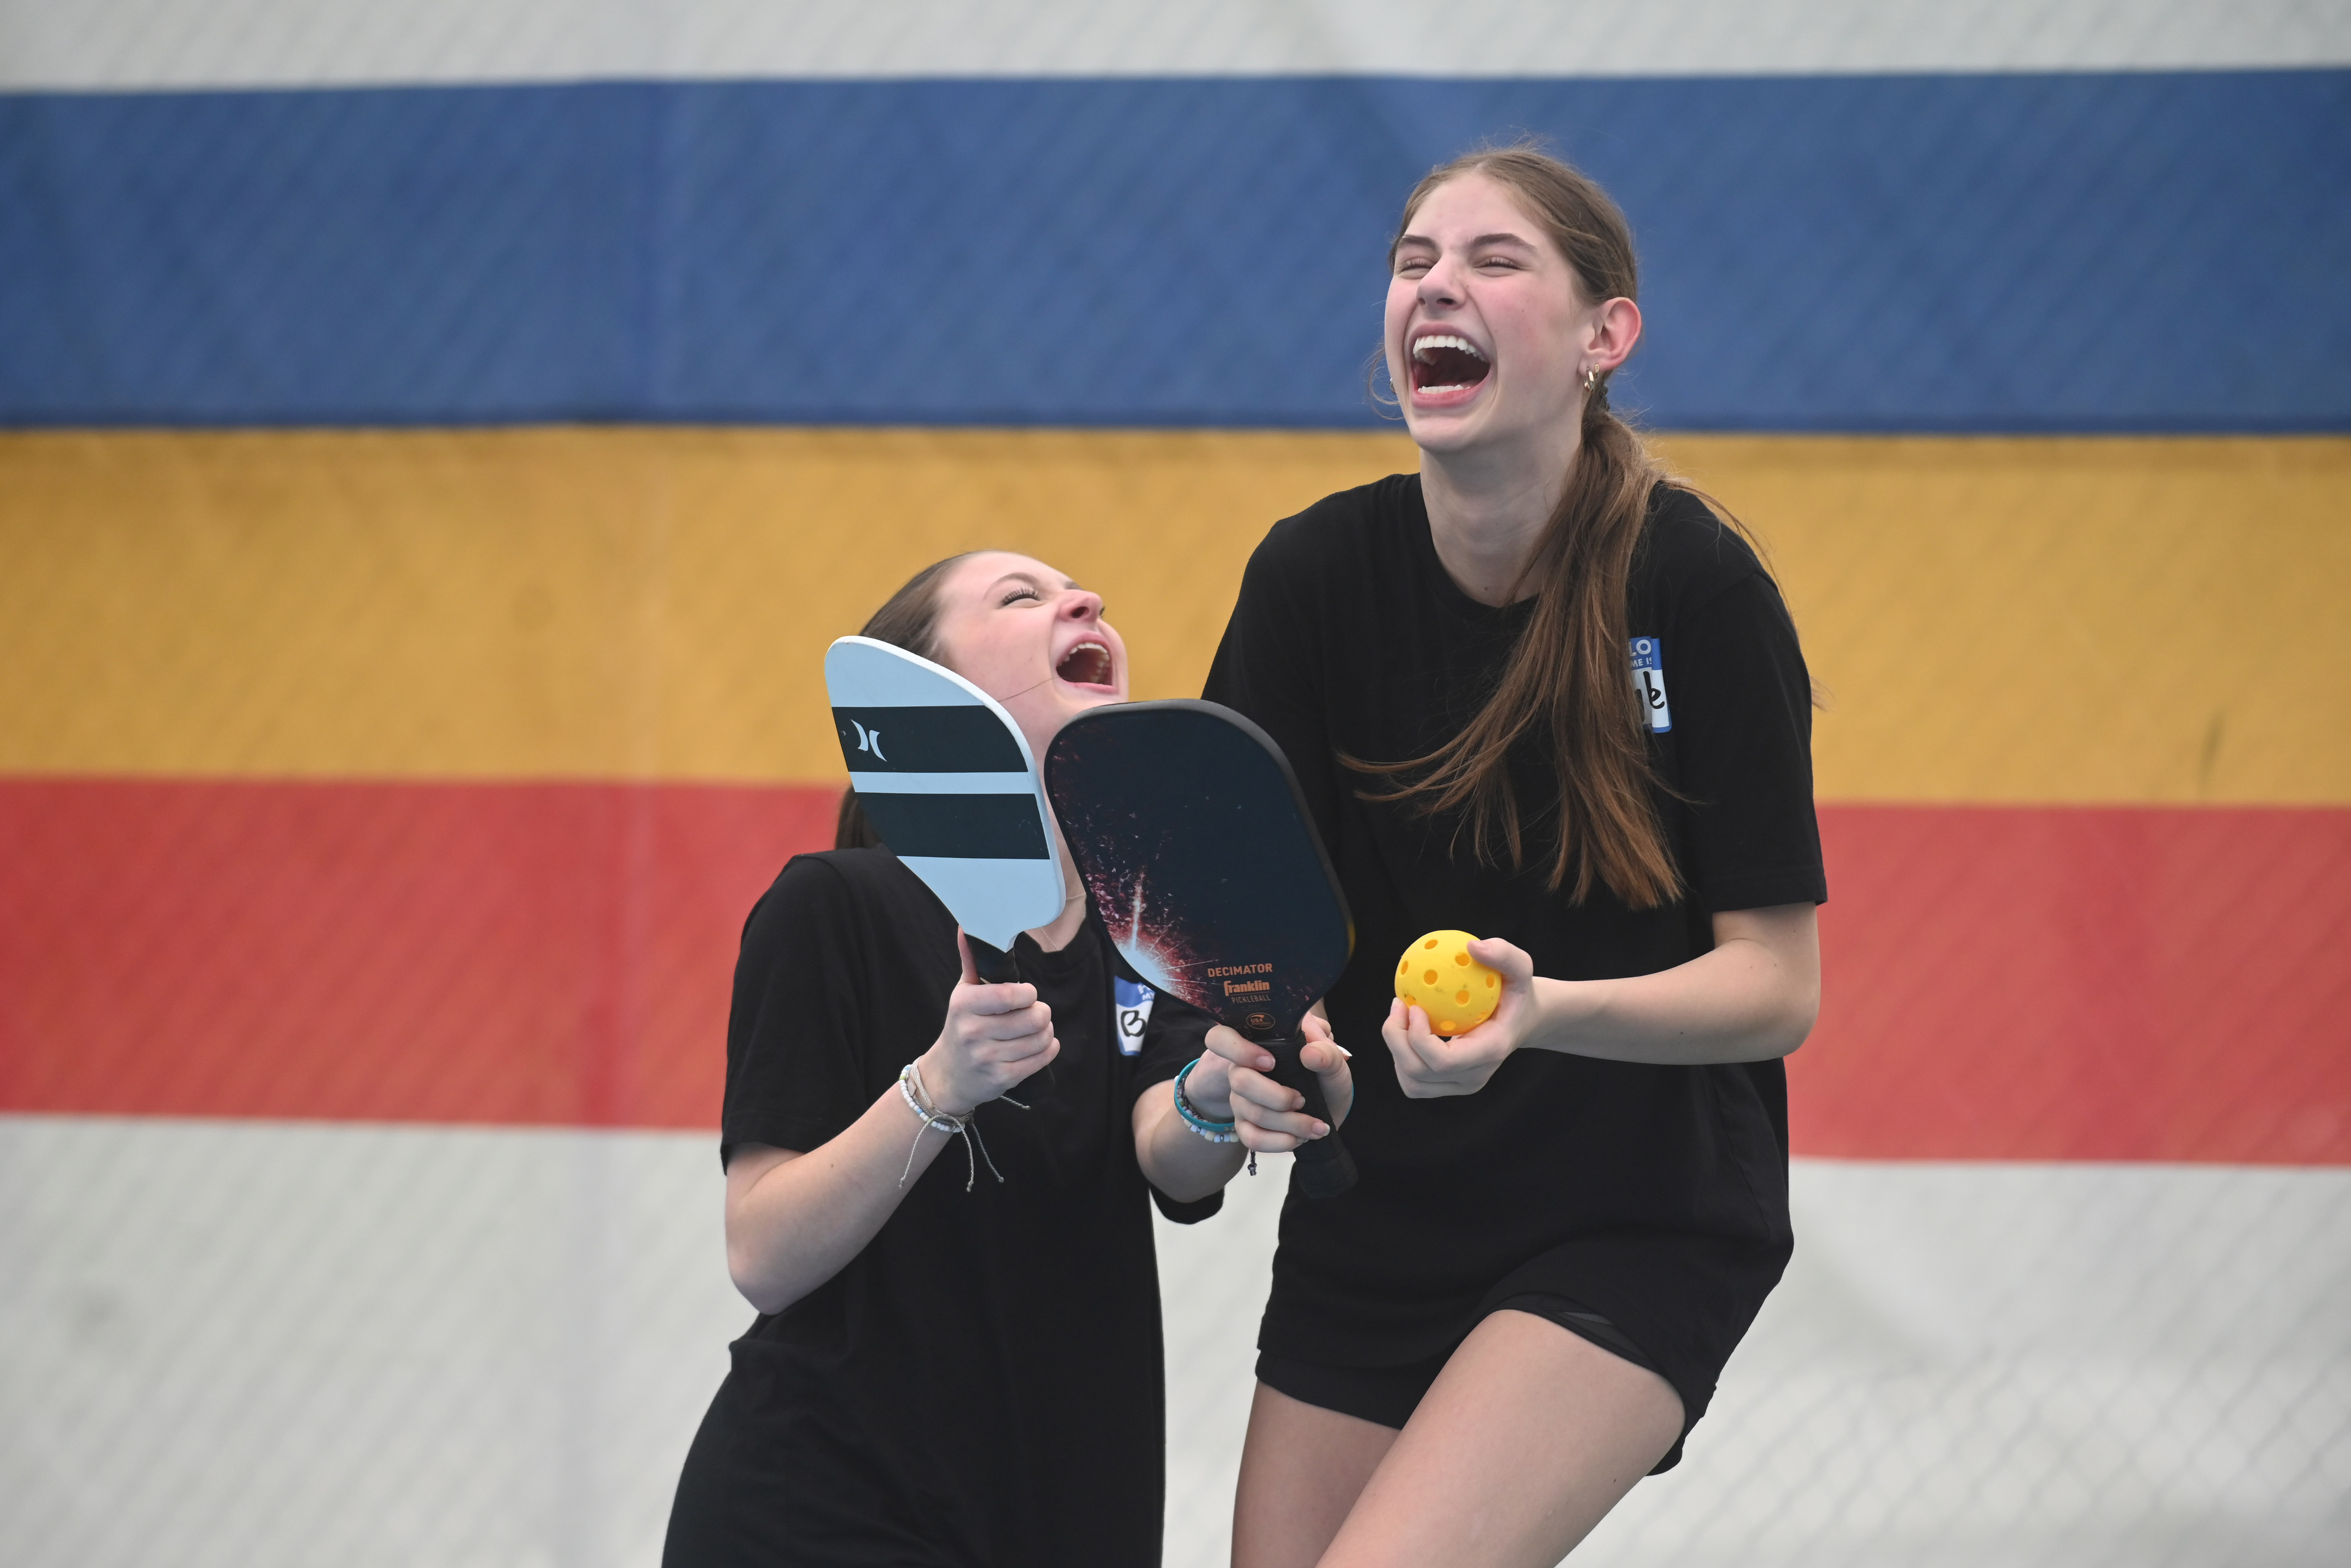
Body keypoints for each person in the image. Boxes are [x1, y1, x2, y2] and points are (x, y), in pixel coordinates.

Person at [1199, 146, 1826, 1568]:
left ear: (1605, 337)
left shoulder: (1696, 589)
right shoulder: (1309, 578)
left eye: (1493, 260)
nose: (1437, 284)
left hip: (1633, 1214)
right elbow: (1235, 918)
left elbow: (1776, 987)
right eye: (1413, 259)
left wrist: (1544, 1015)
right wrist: (1261, 1036)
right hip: (1387, 1207)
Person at [662, 550, 1268, 1567]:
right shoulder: (832, 905)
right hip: (826, 1507)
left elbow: (1167, 1151)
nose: (1087, 601)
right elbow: (762, 1255)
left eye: (1081, 593)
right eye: (1020, 597)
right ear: (923, 688)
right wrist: (940, 1087)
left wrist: (1216, 1093)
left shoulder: (1144, 929)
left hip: (1064, 1512)